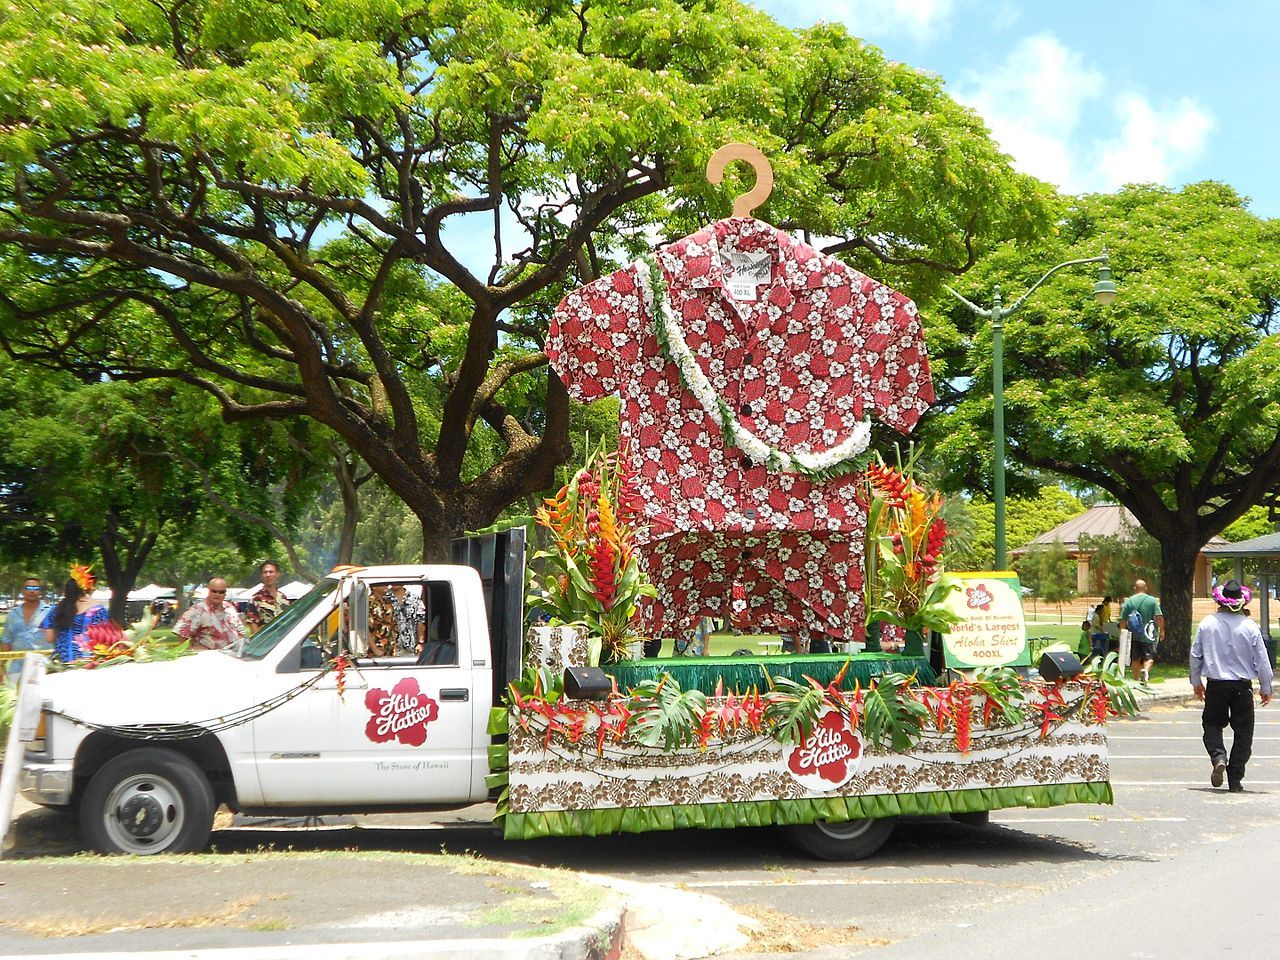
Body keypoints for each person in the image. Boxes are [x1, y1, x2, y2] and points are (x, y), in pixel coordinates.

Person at [1190, 579, 1273, 792]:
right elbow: (1262, 660)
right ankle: (1235, 779)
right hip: (1242, 687)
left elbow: (1195, 654)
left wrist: (1196, 681)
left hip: (1216, 685)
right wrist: (1266, 687)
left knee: (1212, 725)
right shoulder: (1250, 627)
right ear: (1241, 603)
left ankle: (1218, 756)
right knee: (1244, 733)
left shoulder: (1207, 623)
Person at [40, 566, 111, 663]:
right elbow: (104, 639)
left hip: (60, 662)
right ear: (89, 586)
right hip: (87, 663)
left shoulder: (56, 609)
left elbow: (49, 638)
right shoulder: (98, 610)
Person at [174, 578, 246, 651]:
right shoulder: (197, 610)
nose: (217, 594)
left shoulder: (229, 607)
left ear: (225, 593)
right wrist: (191, 649)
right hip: (209, 657)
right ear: (208, 590)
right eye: (214, 591)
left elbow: (240, 631)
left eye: (221, 592)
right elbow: (181, 633)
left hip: (234, 655)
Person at [3, 576, 51, 681]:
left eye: (36, 588)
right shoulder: (12, 615)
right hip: (17, 669)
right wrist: (1, 665)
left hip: (43, 668)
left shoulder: (50, 612)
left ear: (40, 592)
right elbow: (7, 642)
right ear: (23, 590)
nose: (32, 591)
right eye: (28, 588)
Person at [1120, 580, 1164, 682]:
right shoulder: (1152, 601)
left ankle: (1136, 678)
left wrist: (1123, 635)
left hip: (1133, 635)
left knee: (1135, 659)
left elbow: (1123, 620)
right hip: (1148, 634)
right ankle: (1146, 670)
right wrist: (1162, 631)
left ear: (1135, 588)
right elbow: (1159, 617)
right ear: (1146, 588)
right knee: (1149, 657)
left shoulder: (1129, 601)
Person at [243, 560, 291, 634]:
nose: (268, 575)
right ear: (262, 575)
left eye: (271, 572)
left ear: (277, 574)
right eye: (265, 572)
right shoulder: (256, 600)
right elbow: (253, 626)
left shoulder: (283, 598)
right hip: (267, 641)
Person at [1089, 595, 1114, 660]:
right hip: (1096, 634)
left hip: (1100, 633)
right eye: (1102, 610)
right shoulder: (1096, 616)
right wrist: (1103, 631)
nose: (1103, 612)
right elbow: (1097, 625)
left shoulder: (1100, 615)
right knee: (1097, 648)